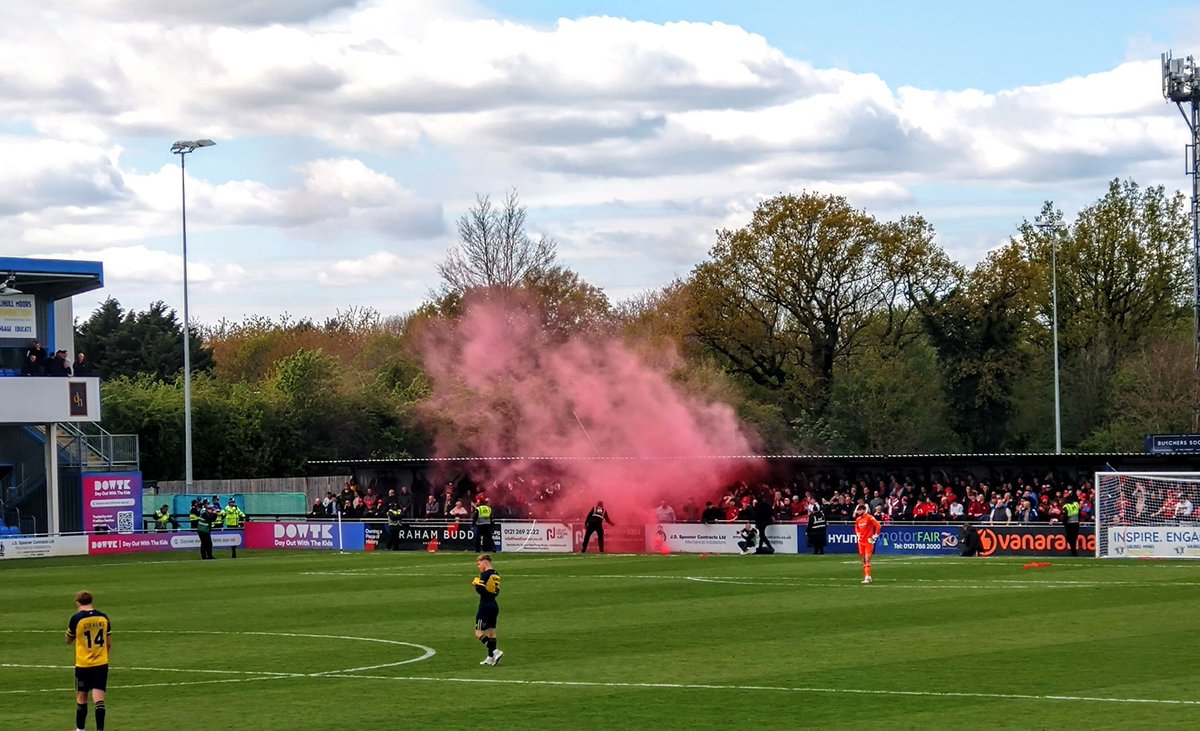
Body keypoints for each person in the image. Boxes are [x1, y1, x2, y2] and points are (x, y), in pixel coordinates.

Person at [66, 590, 110, 731]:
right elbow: (108, 643)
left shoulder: (76, 619)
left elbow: (68, 639)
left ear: (77, 602)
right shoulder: (103, 618)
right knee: (99, 699)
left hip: (83, 664)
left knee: (82, 697)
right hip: (101, 663)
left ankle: (80, 729)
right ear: (92, 601)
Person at [472, 554, 503, 666]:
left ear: (485, 562)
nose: (478, 566)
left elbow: (481, 591)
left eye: (479, 564)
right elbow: (496, 592)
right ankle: (490, 657)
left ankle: (494, 651)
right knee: (491, 632)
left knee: (478, 632)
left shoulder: (485, 574)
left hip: (485, 606)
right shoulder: (496, 574)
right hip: (494, 605)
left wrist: (476, 585)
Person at [853, 502, 881, 584]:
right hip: (861, 542)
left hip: (868, 542)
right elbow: (856, 528)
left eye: (859, 510)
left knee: (867, 559)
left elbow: (878, 526)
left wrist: (875, 536)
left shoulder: (869, 518)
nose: (858, 512)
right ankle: (868, 576)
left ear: (863, 510)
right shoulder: (858, 520)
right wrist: (858, 534)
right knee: (864, 560)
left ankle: (867, 577)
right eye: (857, 511)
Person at [1062, 491, 1081, 557]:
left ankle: (1073, 552)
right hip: (1076, 523)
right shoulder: (1076, 504)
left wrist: (1064, 523)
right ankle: (1074, 552)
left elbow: (1065, 516)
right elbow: (1079, 513)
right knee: (1074, 538)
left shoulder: (1066, 506)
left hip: (1069, 523)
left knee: (1070, 538)